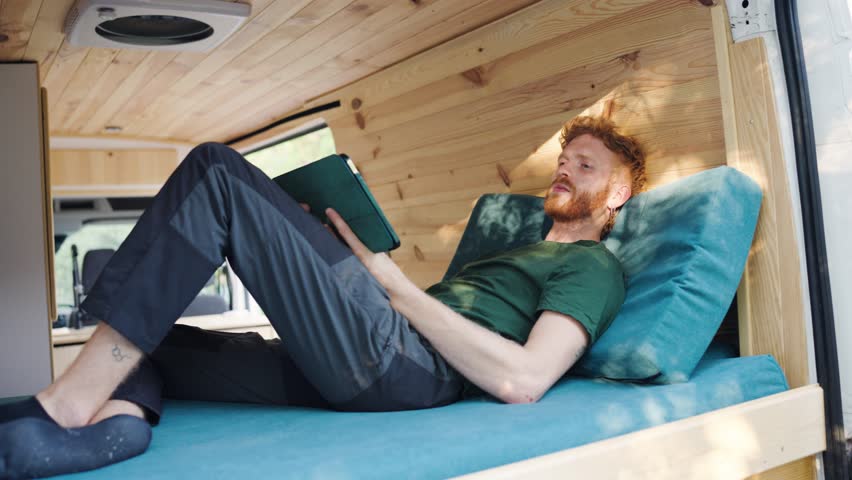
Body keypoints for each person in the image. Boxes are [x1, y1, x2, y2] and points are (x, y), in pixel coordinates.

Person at [0, 116, 646, 479]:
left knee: (216, 171)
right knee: (156, 333)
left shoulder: (592, 266)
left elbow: (523, 379)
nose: (565, 169)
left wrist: (387, 281)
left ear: (617, 196)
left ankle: (65, 406)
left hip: (405, 366)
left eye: (586, 166)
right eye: (565, 160)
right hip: (370, 356)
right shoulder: (513, 253)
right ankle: (122, 424)